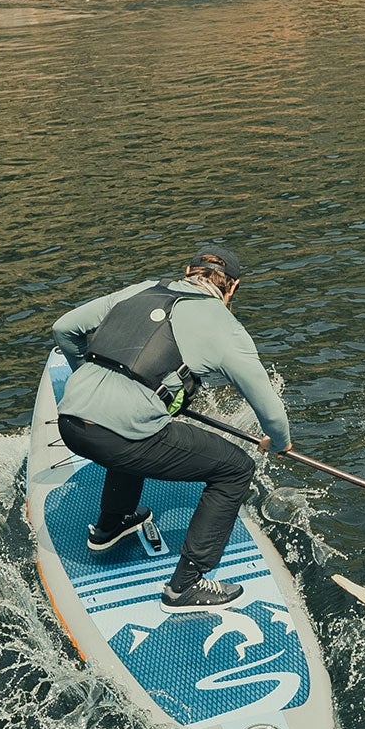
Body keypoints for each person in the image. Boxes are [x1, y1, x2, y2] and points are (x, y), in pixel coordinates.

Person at [52, 244, 290, 611]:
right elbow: (269, 407)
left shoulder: (141, 289)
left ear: (187, 271)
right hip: (121, 435)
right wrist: (279, 443)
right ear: (232, 288)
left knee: (133, 429)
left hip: (70, 422)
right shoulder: (226, 326)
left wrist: (87, 378)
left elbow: (64, 328)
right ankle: (185, 587)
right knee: (236, 468)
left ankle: (111, 525)